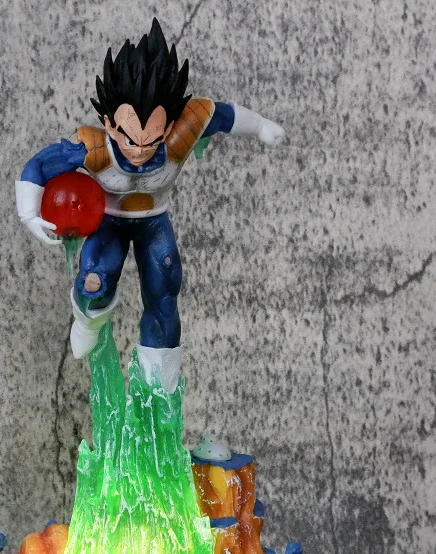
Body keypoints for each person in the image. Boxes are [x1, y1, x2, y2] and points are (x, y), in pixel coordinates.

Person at [16, 19, 285, 392]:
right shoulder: (93, 147)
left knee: (164, 291)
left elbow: (221, 115)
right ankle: (88, 320)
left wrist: (260, 126)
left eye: (151, 140)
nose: (140, 151)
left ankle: (160, 378)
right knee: (95, 279)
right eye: (130, 139)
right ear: (110, 123)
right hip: (110, 222)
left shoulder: (180, 135)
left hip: (154, 224)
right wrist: (29, 213)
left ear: (169, 126)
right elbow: (40, 165)